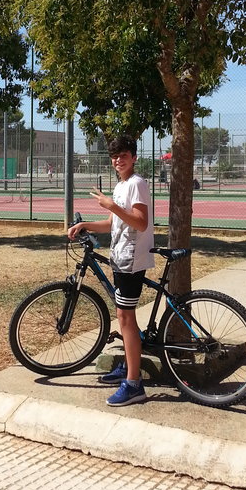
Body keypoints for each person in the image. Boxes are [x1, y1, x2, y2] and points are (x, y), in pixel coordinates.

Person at [67, 135, 154, 406]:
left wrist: (112, 205)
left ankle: (134, 384)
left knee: (125, 317)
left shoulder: (137, 183)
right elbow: (111, 223)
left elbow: (141, 222)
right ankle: (129, 367)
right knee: (124, 317)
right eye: (114, 156)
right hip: (120, 257)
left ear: (134, 157)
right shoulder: (120, 185)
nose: (118, 160)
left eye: (123, 155)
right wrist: (85, 226)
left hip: (132, 260)